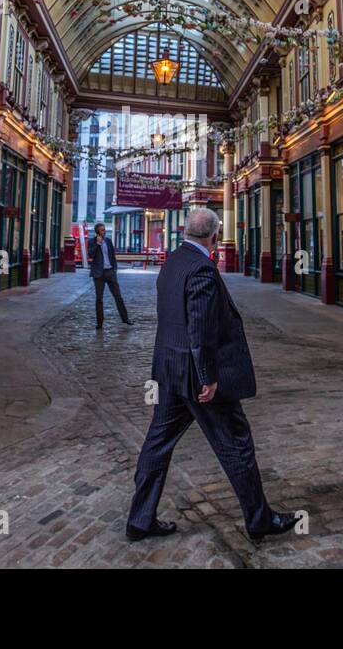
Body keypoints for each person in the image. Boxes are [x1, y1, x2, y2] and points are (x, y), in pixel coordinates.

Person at [126, 207, 299, 544]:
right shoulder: (203, 270)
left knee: (157, 445)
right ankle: (260, 519)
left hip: (170, 372)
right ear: (215, 235)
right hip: (197, 378)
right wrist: (207, 377)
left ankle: (140, 518)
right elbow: (200, 327)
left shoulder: (174, 262)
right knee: (237, 443)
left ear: (185, 232)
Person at [87, 222, 131, 328]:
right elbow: (91, 255)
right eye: (102, 230)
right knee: (99, 299)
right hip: (98, 274)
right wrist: (97, 244)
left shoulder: (108, 241)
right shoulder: (92, 241)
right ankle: (99, 323)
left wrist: (114, 268)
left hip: (110, 272)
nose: (104, 231)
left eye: (104, 229)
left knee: (118, 297)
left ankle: (126, 319)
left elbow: (112, 256)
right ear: (97, 231)